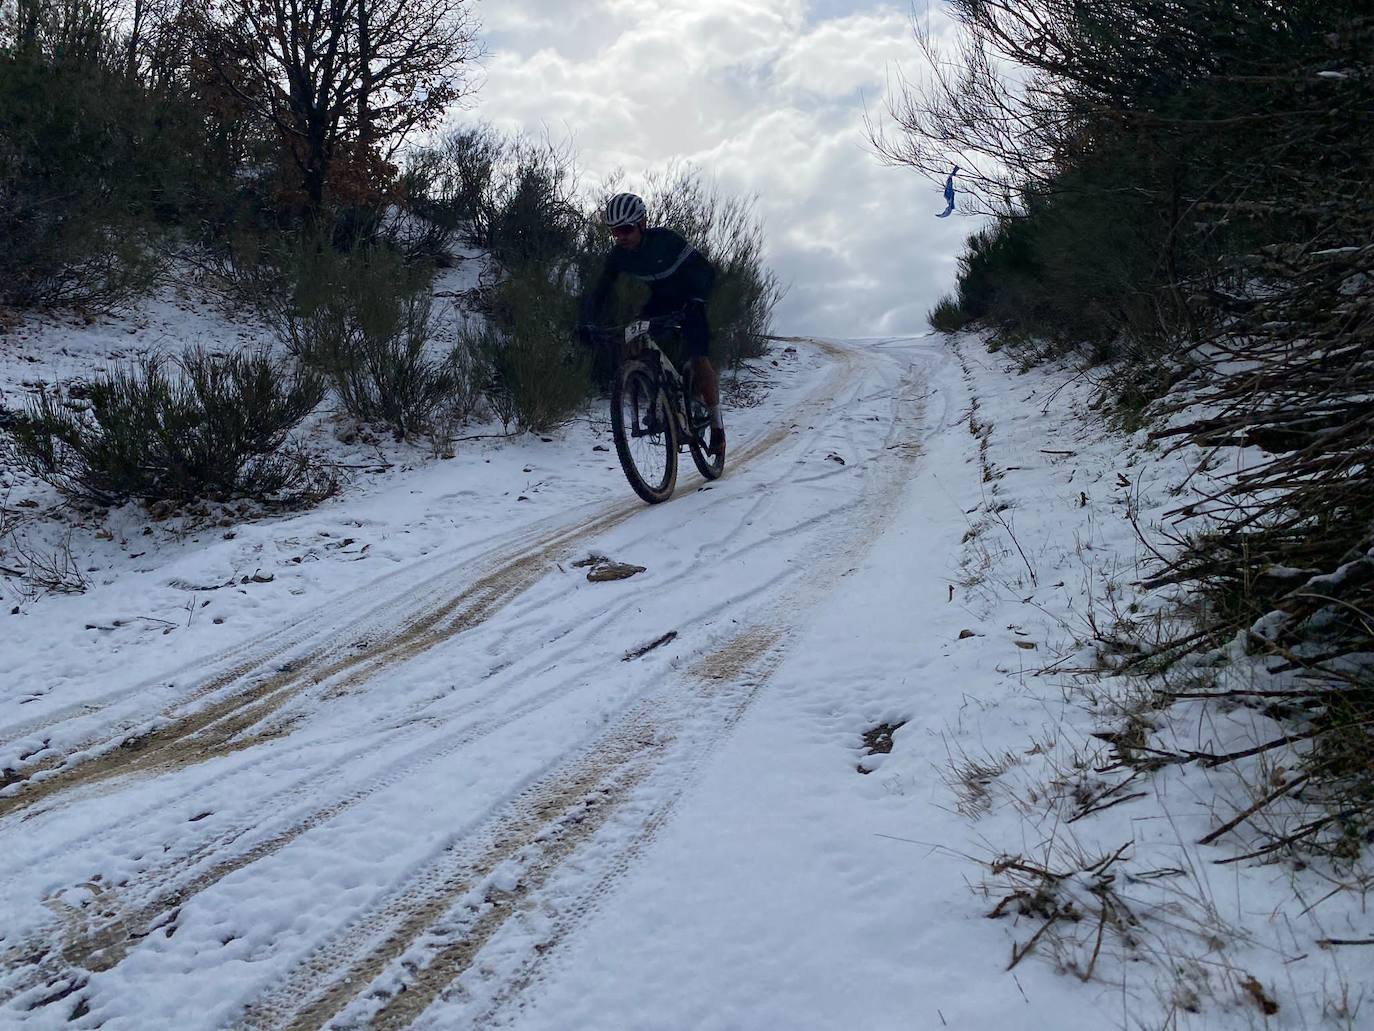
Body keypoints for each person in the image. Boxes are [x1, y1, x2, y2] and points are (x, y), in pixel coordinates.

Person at [580, 192, 725, 457]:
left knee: (698, 356)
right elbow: (601, 291)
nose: (621, 237)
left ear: (642, 224)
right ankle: (655, 395)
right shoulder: (619, 256)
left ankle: (716, 425)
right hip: (660, 301)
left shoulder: (666, 241)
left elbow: (705, 271)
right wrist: (587, 322)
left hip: (690, 297)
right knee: (632, 336)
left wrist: (696, 298)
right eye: (615, 232)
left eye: (625, 229)